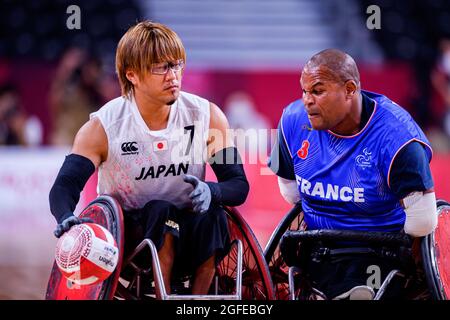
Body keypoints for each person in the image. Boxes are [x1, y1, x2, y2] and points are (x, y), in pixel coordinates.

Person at [48, 21, 249, 297]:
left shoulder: (207, 115)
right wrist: (66, 216)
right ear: (132, 74)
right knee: (160, 210)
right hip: (131, 240)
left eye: (177, 64)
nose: (173, 75)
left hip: (190, 234)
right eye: (160, 67)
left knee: (213, 213)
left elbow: (238, 185)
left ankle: (199, 302)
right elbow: (64, 186)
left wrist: (211, 190)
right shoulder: (104, 127)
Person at [269, 49, 437, 300]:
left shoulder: (397, 137)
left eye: (317, 91)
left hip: (382, 247)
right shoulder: (292, 120)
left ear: (349, 89)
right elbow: (290, 191)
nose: (307, 100)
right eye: (304, 91)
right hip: (319, 245)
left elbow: (422, 221)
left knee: (365, 278)